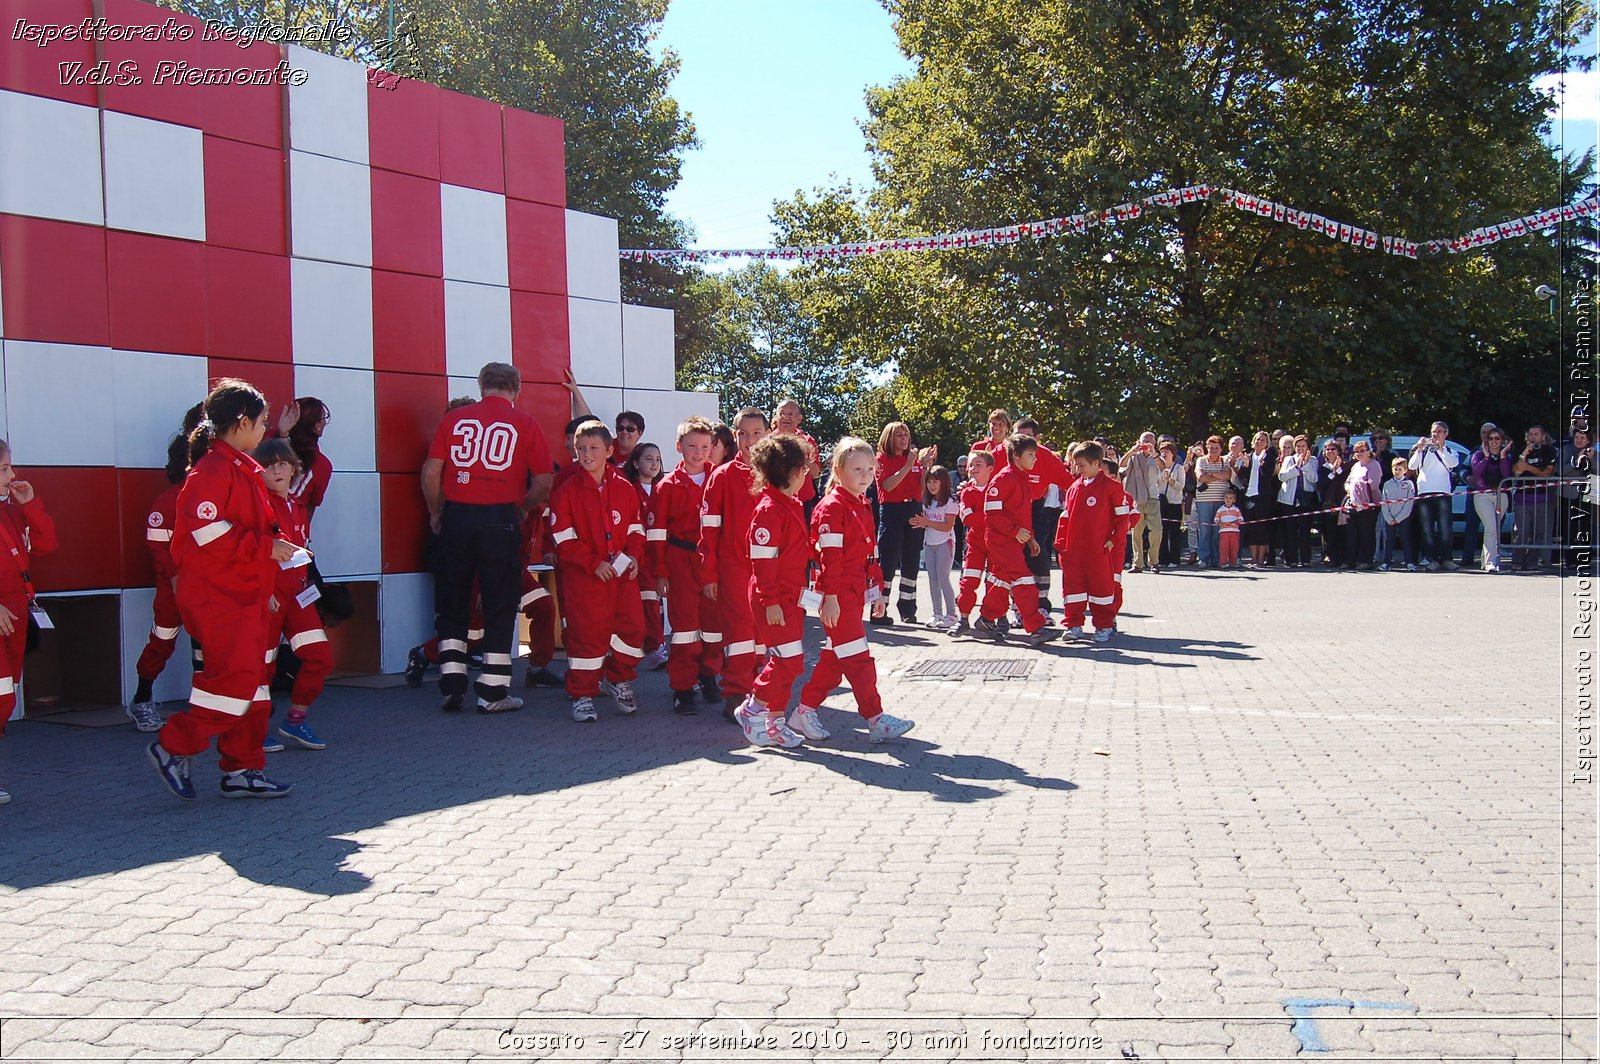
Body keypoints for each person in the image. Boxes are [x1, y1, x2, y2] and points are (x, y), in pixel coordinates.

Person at [147, 379, 300, 802]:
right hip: (220, 599)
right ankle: (173, 745)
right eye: (263, 421)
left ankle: (242, 768)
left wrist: (268, 563)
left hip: (242, 595)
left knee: (254, 686)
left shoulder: (238, 468)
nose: (266, 428)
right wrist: (267, 549)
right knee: (237, 683)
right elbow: (208, 534)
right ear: (243, 422)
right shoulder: (213, 471)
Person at [421, 362, 554, 713]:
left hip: (457, 518)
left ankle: (451, 683)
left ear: (482, 386)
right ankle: (493, 692)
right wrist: (522, 508)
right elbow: (543, 480)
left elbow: (432, 470)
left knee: (452, 605)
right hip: (500, 520)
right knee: (499, 606)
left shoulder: (454, 419)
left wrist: (436, 511)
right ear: (516, 388)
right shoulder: (525, 423)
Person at [793, 437, 914, 745]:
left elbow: (870, 553)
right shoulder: (832, 508)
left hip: (854, 591)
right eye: (857, 469)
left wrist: (876, 593)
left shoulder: (861, 504)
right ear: (837, 469)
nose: (865, 475)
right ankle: (875, 719)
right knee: (858, 658)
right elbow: (829, 560)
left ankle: (803, 712)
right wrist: (830, 599)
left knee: (834, 661)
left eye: (870, 468)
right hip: (839, 595)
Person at [550, 420, 646, 722]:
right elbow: (563, 537)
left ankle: (618, 678)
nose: (586, 454)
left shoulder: (624, 488)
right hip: (585, 580)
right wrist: (593, 563)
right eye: (580, 449)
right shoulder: (566, 490)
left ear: (608, 450)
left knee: (634, 631)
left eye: (593, 448)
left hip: (621, 578)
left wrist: (632, 557)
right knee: (587, 638)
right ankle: (582, 694)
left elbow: (635, 528)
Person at [732, 433, 814, 748]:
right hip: (774, 599)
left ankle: (774, 721)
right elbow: (762, 563)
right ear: (792, 471)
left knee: (787, 661)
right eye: (804, 467)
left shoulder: (788, 504)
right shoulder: (769, 509)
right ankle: (752, 709)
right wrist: (771, 601)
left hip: (789, 597)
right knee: (789, 662)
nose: (807, 472)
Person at [127, 404, 205, 732]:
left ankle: (205, 706)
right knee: (161, 643)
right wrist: (175, 579)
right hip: (172, 594)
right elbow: (158, 548)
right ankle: (142, 700)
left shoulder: (213, 501)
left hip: (206, 591)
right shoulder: (166, 503)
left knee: (206, 648)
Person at [253, 438, 333, 750]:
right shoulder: (256, 506)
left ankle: (296, 721)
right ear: (257, 471)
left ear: (294, 469)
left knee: (319, 658)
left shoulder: (298, 507)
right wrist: (262, 592)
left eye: (283, 463)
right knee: (263, 668)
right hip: (269, 599)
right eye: (269, 464)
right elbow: (250, 553)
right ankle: (254, 730)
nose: (277, 470)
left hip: (299, 596)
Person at [647, 416, 723, 716]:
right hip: (680, 561)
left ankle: (708, 674)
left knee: (714, 627)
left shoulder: (719, 479)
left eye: (705, 446)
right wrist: (661, 572)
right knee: (684, 629)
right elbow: (656, 535)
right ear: (679, 446)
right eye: (692, 445)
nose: (699, 452)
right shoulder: (666, 486)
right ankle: (682, 688)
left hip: (712, 562)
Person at [700, 407, 770, 719]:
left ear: (767, 435)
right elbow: (709, 530)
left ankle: (761, 690)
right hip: (734, 567)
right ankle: (736, 694)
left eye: (756, 433)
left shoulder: (778, 473)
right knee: (740, 633)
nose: (750, 440)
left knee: (764, 633)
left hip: (769, 569)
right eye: (743, 433)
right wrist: (710, 573)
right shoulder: (722, 476)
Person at [0, 439, 58, 804]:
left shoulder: (10, 511)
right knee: (2, 695)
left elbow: (48, 543)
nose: (13, 475)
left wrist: (30, 505)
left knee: (7, 694)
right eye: (5, 469)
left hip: (18, 611)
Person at [975, 434, 1059, 645]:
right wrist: (1015, 532)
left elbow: (1022, 515)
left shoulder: (1022, 479)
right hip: (1001, 541)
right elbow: (992, 514)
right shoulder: (1004, 479)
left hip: (1013, 541)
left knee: (1002, 582)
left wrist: (1029, 539)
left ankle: (985, 619)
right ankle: (1036, 628)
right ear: (1015, 455)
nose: (1035, 459)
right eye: (1030, 455)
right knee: (1024, 581)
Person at [1054, 441, 1126, 642]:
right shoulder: (1074, 488)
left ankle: (1104, 626)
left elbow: (1122, 518)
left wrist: (1113, 540)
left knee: (1101, 589)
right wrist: (1061, 544)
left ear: (1096, 463)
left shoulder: (1112, 487)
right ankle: (1073, 625)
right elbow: (1065, 518)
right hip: (1074, 551)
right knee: (1073, 588)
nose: (1078, 469)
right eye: (1076, 465)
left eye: (1082, 465)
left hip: (1098, 549)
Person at [875, 422, 934, 624]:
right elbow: (887, 486)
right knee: (888, 562)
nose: (904, 438)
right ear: (889, 438)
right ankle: (879, 610)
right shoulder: (882, 459)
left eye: (906, 434)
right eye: (899, 435)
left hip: (913, 509)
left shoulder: (914, 459)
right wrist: (908, 465)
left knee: (911, 562)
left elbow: (922, 488)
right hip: (892, 511)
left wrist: (925, 467)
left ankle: (908, 609)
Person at [1014, 419, 1072, 610]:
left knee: (1038, 554)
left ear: (1037, 438)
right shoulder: (1002, 453)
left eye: (1028, 436)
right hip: (1010, 512)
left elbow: (1070, 485)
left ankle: (1041, 605)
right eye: (1018, 435)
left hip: (1035, 508)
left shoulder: (1047, 458)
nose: (1022, 440)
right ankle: (1017, 607)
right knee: (1012, 558)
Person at [624, 442, 666, 668]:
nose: (654, 464)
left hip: (659, 556)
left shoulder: (663, 488)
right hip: (640, 556)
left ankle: (656, 646)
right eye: (648, 459)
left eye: (657, 459)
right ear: (636, 463)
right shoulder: (629, 489)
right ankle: (654, 648)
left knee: (656, 604)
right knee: (648, 602)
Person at [911, 465, 959, 630]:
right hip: (930, 544)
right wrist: (920, 523)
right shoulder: (927, 501)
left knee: (943, 578)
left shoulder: (951, 502)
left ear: (944, 482)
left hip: (945, 543)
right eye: (929, 481)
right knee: (933, 580)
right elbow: (926, 522)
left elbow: (947, 526)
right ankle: (937, 613)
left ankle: (951, 614)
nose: (931, 485)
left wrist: (927, 523)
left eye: (935, 481)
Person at [1409, 422, 1459, 570]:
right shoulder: (1423, 451)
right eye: (1433, 431)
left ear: (1446, 433)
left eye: (1439, 431)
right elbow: (1412, 466)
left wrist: (1441, 448)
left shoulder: (1450, 450)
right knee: (1427, 529)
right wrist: (1419, 449)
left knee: (1445, 528)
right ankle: (1431, 559)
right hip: (1424, 493)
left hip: (1443, 493)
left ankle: (1446, 558)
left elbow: (1453, 463)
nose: (1435, 434)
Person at [955, 450, 995, 630]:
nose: (972, 468)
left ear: (990, 468)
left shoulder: (996, 490)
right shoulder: (967, 492)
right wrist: (990, 517)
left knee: (995, 583)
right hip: (975, 544)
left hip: (996, 543)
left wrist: (988, 518)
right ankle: (963, 619)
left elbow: (1003, 516)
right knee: (968, 581)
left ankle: (995, 618)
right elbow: (968, 518)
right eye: (971, 465)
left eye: (978, 464)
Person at [278, 397, 333, 528]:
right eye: (324, 417)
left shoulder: (269, 438)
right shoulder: (322, 465)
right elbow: (310, 509)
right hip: (286, 532)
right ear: (317, 426)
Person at [1511, 424, 1558, 570]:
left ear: (1543, 436)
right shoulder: (1521, 450)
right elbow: (1517, 472)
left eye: (1536, 434)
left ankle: (1532, 562)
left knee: (1539, 533)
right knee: (1521, 532)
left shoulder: (1550, 451)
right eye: (1531, 434)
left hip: (1542, 498)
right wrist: (1525, 452)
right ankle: (1517, 561)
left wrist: (1528, 468)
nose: (1533, 437)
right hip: (1522, 498)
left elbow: (1546, 473)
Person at [1469, 428, 1513, 572]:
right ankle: (1491, 562)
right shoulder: (1478, 454)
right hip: (1483, 495)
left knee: (1494, 529)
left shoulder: (1506, 456)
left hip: (1501, 495)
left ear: (1502, 440)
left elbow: (1506, 474)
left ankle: (1486, 560)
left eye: (1497, 438)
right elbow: (1476, 472)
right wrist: (1486, 458)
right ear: (1486, 440)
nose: (1494, 442)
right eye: (1491, 438)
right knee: (1491, 528)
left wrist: (1502, 456)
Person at [1120, 432, 1165, 572]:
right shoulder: (1134, 456)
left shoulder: (1155, 457)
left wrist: (1154, 454)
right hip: (1136, 497)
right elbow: (1120, 467)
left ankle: (1154, 562)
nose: (1146, 443)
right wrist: (1130, 452)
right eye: (1144, 440)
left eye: (1150, 441)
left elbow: (1163, 467)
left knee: (1157, 530)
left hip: (1152, 497)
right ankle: (1138, 563)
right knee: (1136, 531)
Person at [774, 398, 823, 519]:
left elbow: (815, 472)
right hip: (775, 500)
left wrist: (800, 456)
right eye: (782, 413)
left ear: (799, 419)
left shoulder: (807, 441)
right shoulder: (768, 441)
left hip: (803, 502)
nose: (786, 417)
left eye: (791, 414)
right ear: (776, 416)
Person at [1459, 422, 1499, 567]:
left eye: (1489, 434)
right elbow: (1463, 469)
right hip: (1475, 494)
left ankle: (1491, 559)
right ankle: (1467, 558)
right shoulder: (1475, 451)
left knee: (1493, 528)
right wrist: (1467, 477)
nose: (1486, 436)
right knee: (1471, 527)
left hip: (1495, 495)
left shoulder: (1501, 451)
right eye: (1484, 433)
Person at [1277, 435, 1319, 567]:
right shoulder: (1289, 459)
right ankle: (1292, 560)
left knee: (1305, 530)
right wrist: (1296, 467)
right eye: (1298, 446)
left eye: (1303, 446)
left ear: (1308, 447)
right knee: (1290, 530)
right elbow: (1282, 476)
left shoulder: (1313, 460)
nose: (1301, 449)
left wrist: (1306, 465)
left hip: (1306, 499)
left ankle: (1306, 559)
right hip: (1290, 499)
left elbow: (1314, 479)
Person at [1342, 439, 1382, 571]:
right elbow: (1347, 482)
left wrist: (1358, 487)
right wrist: (1350, 489)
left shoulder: (1374, 465)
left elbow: (1374, 485)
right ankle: (1351, 560)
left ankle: (1366, 560)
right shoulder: (1355, 466)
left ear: (1369, 452)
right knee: (1352, 533)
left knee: (1367, 533)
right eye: (1357, 451)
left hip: (1369, 504)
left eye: (1362, 451)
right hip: (1354, 504)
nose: (1359, 453)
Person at [1560, 427, 1595, 572]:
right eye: (1577, 437)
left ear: (1588, 440)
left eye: (1582, 438)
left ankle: (1584, 559)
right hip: (1569, 494)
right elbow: (1562, 470)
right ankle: (1570, 560)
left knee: (1585, 527)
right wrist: (1578, 459)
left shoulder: (1593, 451)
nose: (1579, 440)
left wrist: (1591, 460)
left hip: (1588, 494)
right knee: (1569, 527)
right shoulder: (1566, 450)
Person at [1240, 431, 1277, 567]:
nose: (1259, 442)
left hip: (1262, 497)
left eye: (1263, 440)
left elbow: (1268, 476)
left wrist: (1262, 463)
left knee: (1261, 528)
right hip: (1249, 495)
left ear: (1266, 443)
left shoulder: (1269, 457)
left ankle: (1261, 559)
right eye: (1257, 439)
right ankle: (1253, 559)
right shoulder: (1248, 456)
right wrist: (1245, 465)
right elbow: (1242, 476)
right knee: (1251, 529)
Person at [1193, 436, 1229, 568]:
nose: (1214, 450)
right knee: (1204, 530)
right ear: (1207, 448)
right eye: (1211, 448)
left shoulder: (1225, 461)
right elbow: (1201, 477)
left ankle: (1216, 559)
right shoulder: (1201, 460)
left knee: (1217, 531)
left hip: (1220, 500)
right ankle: (1203, 558)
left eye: (1216, 448)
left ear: (1221, 449)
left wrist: (1211, 474)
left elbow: (1227, 476)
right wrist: (1218, 474)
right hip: (1204, 500)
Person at [1380, 458, 1418, 571]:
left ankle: (1409, 562)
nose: (1397, 471)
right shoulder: (1387, 484)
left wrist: (1399, 517)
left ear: (1405, 470)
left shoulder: (1409, 484)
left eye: (1399, 469)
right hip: (1389, 518)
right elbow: (1384, 502)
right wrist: (1388, 517)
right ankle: (1387, 562)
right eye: (1395, 469)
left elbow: (1409, 502)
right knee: (1389, 540)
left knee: (1405, 539)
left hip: (1403, 518)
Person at [1316, 439, 1348, 567]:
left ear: (1338, 451)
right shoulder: (1322, 468)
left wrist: (1338, 470)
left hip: (1341, 502)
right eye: (1327, 449)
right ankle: (1328, 555)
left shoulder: (1345, 465)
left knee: (1342, 531)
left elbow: (1344, 480)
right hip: (1327, 503)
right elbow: (1321, 485)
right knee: (1328, 531)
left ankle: (1341, 557)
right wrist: (1332, 472)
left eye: (1333, 449)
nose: (1330, 451)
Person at [1157, 440, 1186, 568]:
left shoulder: (1178, 468)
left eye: (1166, 451)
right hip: (1161, 503)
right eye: (1162, 451)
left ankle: (1175, 560)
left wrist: (1171, 480)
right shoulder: (1158, 467)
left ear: (1173, 453)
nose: (1164, 454)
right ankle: (1162, 559)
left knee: (1174, 533)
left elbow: (1181, 486)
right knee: (1161, 532)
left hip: (1175, 504)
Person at [1216, 488, 1244, 568]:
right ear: (1223, 499)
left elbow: (1241, 519)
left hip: (1235, 532)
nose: (1228, 500)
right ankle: (1223, 563)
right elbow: (1216, 519)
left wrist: (1238, 521)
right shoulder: (1220, 509)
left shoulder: (1236, 509)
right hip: (1224, 532)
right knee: (1224, 548)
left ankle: (1233, 562)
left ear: (1234, 500)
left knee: (1234, 548)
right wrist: (1219, 523)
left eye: (1231, 498)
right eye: (1226, 498)